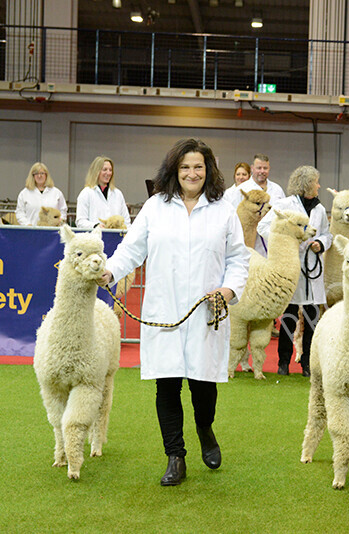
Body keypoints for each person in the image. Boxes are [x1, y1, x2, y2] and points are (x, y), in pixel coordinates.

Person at [99, 138, 249, 486]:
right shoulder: (156, 207)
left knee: (203, 387)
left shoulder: (223, 210)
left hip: (205, 312)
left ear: (208, 170)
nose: (192, 173)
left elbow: (238, 259)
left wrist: (227, 291)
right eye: (185, 167)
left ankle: (205, 428)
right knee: (166, 386)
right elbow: (131, 249)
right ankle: (175, 456)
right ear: (174, 171)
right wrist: (109, 271)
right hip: (164, 310)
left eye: (198, 167)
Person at [257, 165, 331, 377]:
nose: (318, 185)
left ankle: (308, 363)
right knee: (289, 317)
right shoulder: (284, 206)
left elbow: (327, 234)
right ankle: (283, 363)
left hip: (312, 268)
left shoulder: (319, 209)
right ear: (307, 184)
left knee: (311, 319)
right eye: (316, 182)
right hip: (291, 268)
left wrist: (320, 243)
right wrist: (286, 242)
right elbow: (263, 227)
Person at [224, 154, 286, 258]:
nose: (262, 171)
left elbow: (283, 214)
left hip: (272, 244)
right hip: (249, 243)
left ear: (269, 168)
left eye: (265, 168)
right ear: (252, 168)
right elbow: (233, 217)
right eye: (259, 168)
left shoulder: (277, 190)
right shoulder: (242, 190)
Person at [75, 156, 132, 229]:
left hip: (116, 238)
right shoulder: (86, 193)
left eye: (110, 170)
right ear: (96, 171)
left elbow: (126, 221)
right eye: (104, 170)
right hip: (95, 237)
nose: (108, 173)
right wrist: (95, 226)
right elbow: (80, 221)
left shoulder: (118, 194)